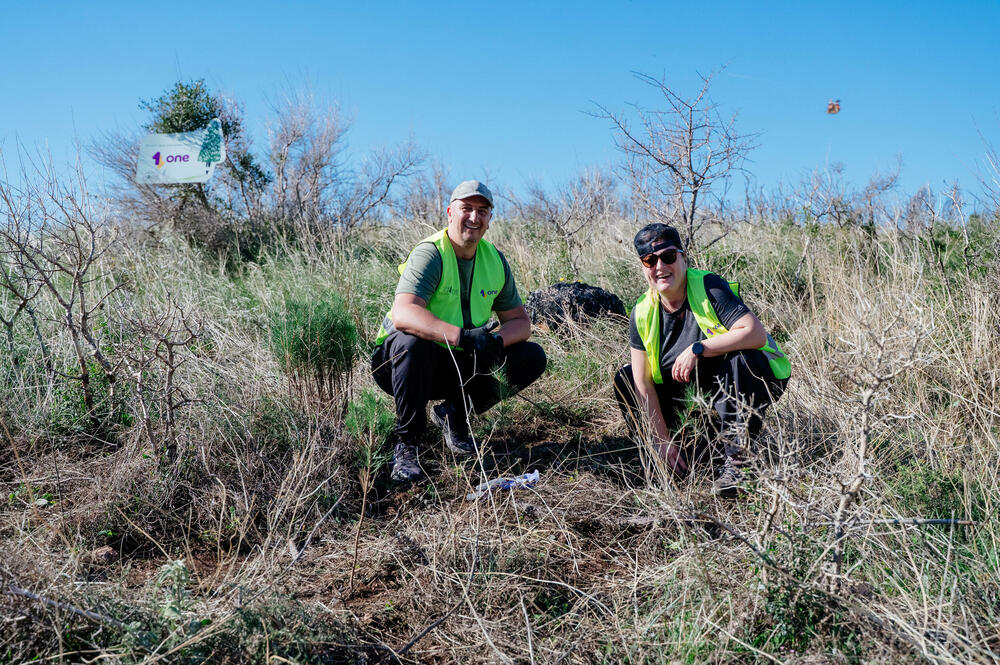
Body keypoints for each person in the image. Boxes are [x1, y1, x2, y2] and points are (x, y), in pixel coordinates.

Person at [371, 180, 547, 483]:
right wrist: (462, 336)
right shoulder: (431, 253)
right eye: (467, 209)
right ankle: (408, 444)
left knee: (531, 355)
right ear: (450, 212)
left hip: (460, 362)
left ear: (490, 218)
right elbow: (404, 313)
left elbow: (521, 322)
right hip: (403, 364)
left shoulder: (495, 260)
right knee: (411, 342)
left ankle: (454, 414)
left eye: (483, 211)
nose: (474, 218)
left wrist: (495, 340)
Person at [613, 224, 790, 496]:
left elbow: (754, 333)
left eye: (668, 256)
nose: (660, 266)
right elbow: (642, 383)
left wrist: (699, 348)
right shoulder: (641, 311)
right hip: (691, 395)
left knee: (741, 358)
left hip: (747, 380)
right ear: (643, 267)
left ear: (683, 258)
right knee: (625, 378)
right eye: (650, 260)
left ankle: (739, 463)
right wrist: (661, 440)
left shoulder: (708, 287)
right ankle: (662, 459)